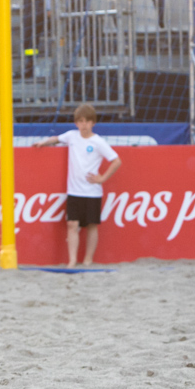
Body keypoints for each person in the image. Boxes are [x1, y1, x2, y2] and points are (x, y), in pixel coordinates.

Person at [37, 104, 121, 267]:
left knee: (91, 225)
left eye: (87, 121)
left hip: (92, 192)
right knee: (72, 224)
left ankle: (88, 259)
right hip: (74, 191)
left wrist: (102, 178)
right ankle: (72, 260)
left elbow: (116, 161)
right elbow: (56, 139)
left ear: (93, 123)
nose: (84, 125)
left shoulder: (98, 142)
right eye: (81, 121)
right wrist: (43, 143)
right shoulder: (72, 136)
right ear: (76, 123)